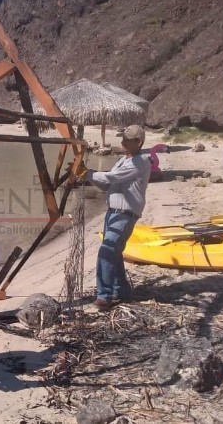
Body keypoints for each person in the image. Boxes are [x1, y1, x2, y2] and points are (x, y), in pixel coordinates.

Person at [72, 125, 151, 310]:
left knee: (106, 252)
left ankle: (105, 296)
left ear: (138, 142)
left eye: (127, 140)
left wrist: (87, 172)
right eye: (122, 138)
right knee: (114, 255)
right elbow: (108, 186)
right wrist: (89, 175)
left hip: (125, 215)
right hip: (113, 213)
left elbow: (112, 178)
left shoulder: (139, 162)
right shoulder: (124, 161)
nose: (122, 142)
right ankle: (122, 292)